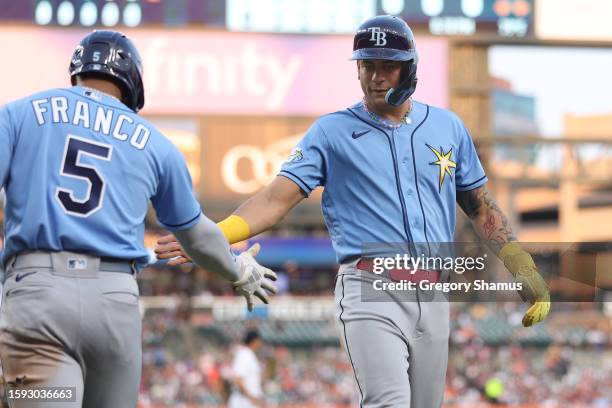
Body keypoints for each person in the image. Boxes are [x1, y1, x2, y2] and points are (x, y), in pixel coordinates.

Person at [156, 15, 550, 407]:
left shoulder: (447, 126)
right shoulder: (331, 132)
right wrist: (209, 236)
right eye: (367, 65)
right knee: (388, 402)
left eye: (387, 66)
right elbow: (276, 198)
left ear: (409, 69)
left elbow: (481, 207)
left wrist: (521, 264)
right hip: (370, 286)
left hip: (433, 291)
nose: (376, 77)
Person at [0, 30, 276, 408]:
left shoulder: (18, 113)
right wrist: (237, 269)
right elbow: (195, 235)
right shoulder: (157, 143)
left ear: (77, 71)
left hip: (38, 293)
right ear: (132, 83)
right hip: (114, 302)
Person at [228, 330, 265, 408]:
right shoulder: (244, 355)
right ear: (254, 341)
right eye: (259, 340)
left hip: (249, 401)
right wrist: (252, 397)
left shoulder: (250, 355)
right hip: (242, 402)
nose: (261, 343)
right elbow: (238, 380)